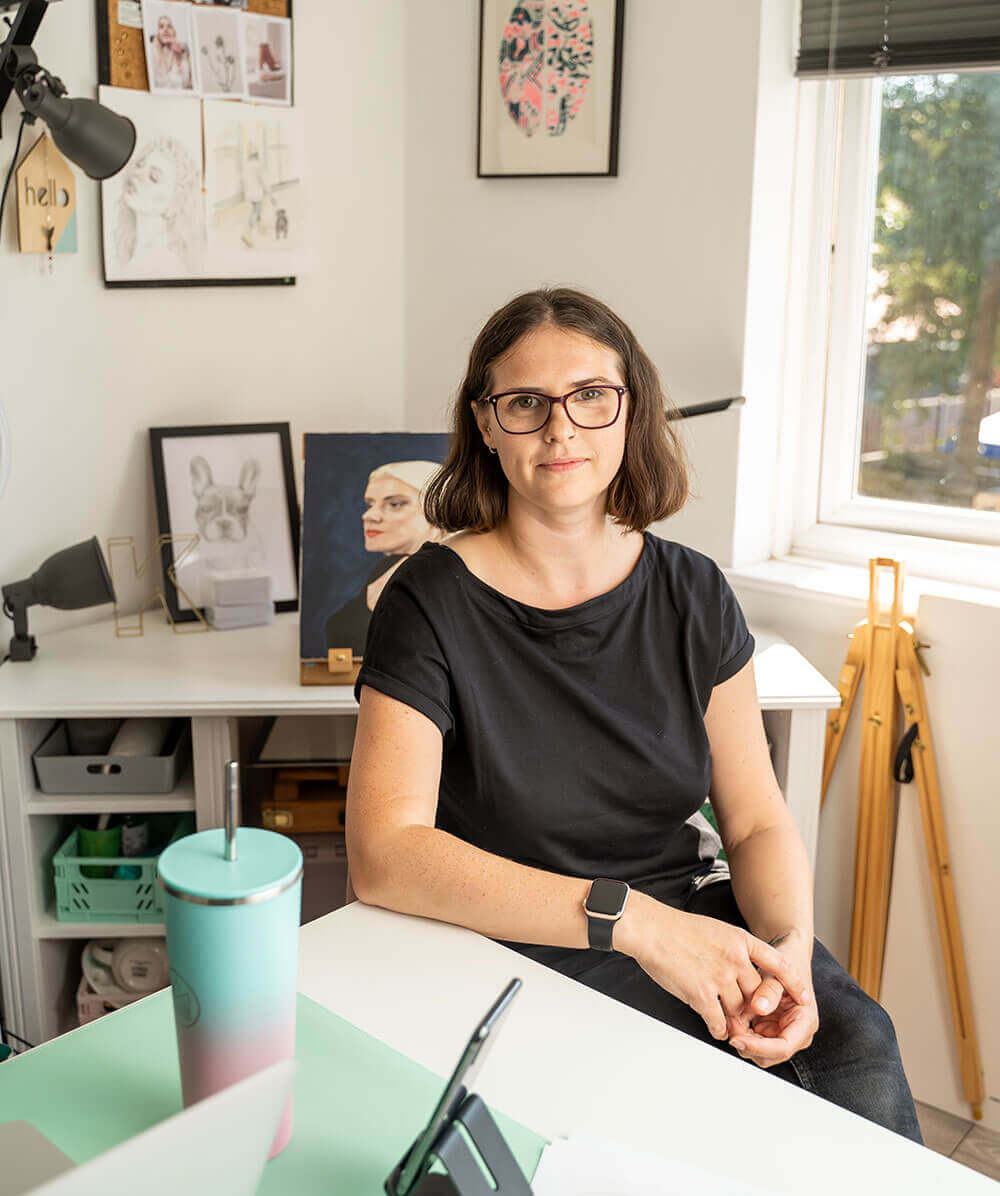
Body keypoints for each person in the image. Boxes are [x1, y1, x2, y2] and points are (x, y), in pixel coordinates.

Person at [345, 287, 923, 1143]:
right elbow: (386, 857)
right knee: (664, 1115)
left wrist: (791, 949)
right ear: (486, 422)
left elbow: (758, 820)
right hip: (510, 938)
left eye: (590, 396)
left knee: (856, 1048)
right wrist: (637, 926)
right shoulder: (428, 600)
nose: (560, 429)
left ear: (630, 409)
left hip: (689, 913)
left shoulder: (693, 590)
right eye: (526, 403)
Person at [324, 461, 445, 657]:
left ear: (438, 507)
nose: (369, 515)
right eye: (370, 504)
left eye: (395, 504)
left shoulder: (446, 577)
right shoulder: (387, 568)